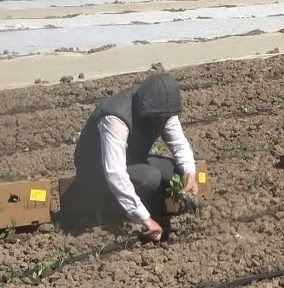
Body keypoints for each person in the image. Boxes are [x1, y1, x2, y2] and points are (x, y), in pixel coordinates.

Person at [73, 72, 199, 241]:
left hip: (131, 159)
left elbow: (179, 144)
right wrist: (144, 218)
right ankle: (112, 210)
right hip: (96, 172)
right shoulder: (115, 118)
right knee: (150, 177)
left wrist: (190, 173)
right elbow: (115, 172)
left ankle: (145, 204)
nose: (161, 122)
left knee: (176, 171)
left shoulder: (162, 108)